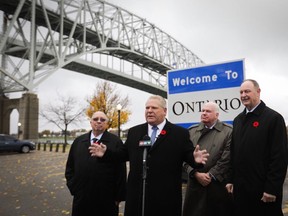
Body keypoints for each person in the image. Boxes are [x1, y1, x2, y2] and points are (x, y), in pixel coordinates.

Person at [89, 95, 209, 216]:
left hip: (165, 199)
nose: (149, 111)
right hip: (138, 197)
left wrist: (195, 160)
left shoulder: (179, 133)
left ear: (165, 111)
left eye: (154, 108)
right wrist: (105, 154)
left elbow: (188, 156)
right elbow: (123, 155)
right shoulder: (135, 132)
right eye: (147, 108)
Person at [226, 79, 288, 216]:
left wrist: (272, 188)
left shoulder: (273, 119)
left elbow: (280, 157)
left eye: (247, 91)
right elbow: (234, 152)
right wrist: (230, 179)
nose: (243, 95)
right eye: (241, 92)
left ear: (258, 92)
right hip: (241, 192)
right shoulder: (238, 120)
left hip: (264, 193)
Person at [65, 111, 127, 216]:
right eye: (95, 119)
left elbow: (121, 171)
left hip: (106, 198)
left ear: (106, 123)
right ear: (90, 122)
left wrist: (118, 196)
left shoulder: (115, 142)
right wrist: (74, 188)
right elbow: (70, 167)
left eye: (102, 120)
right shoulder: (78, 141)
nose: (99, 122)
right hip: (81, 197)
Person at [182, 101, 233, 216]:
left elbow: (227, 158)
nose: (204, 113)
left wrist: (210, 175)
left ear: (217, 115)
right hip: (194, 185)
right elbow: (184, 158)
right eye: (203, 110)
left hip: (217, 185)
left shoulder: (228, 131)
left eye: (208, 111)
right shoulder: (191, 131)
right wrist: (195, 173)